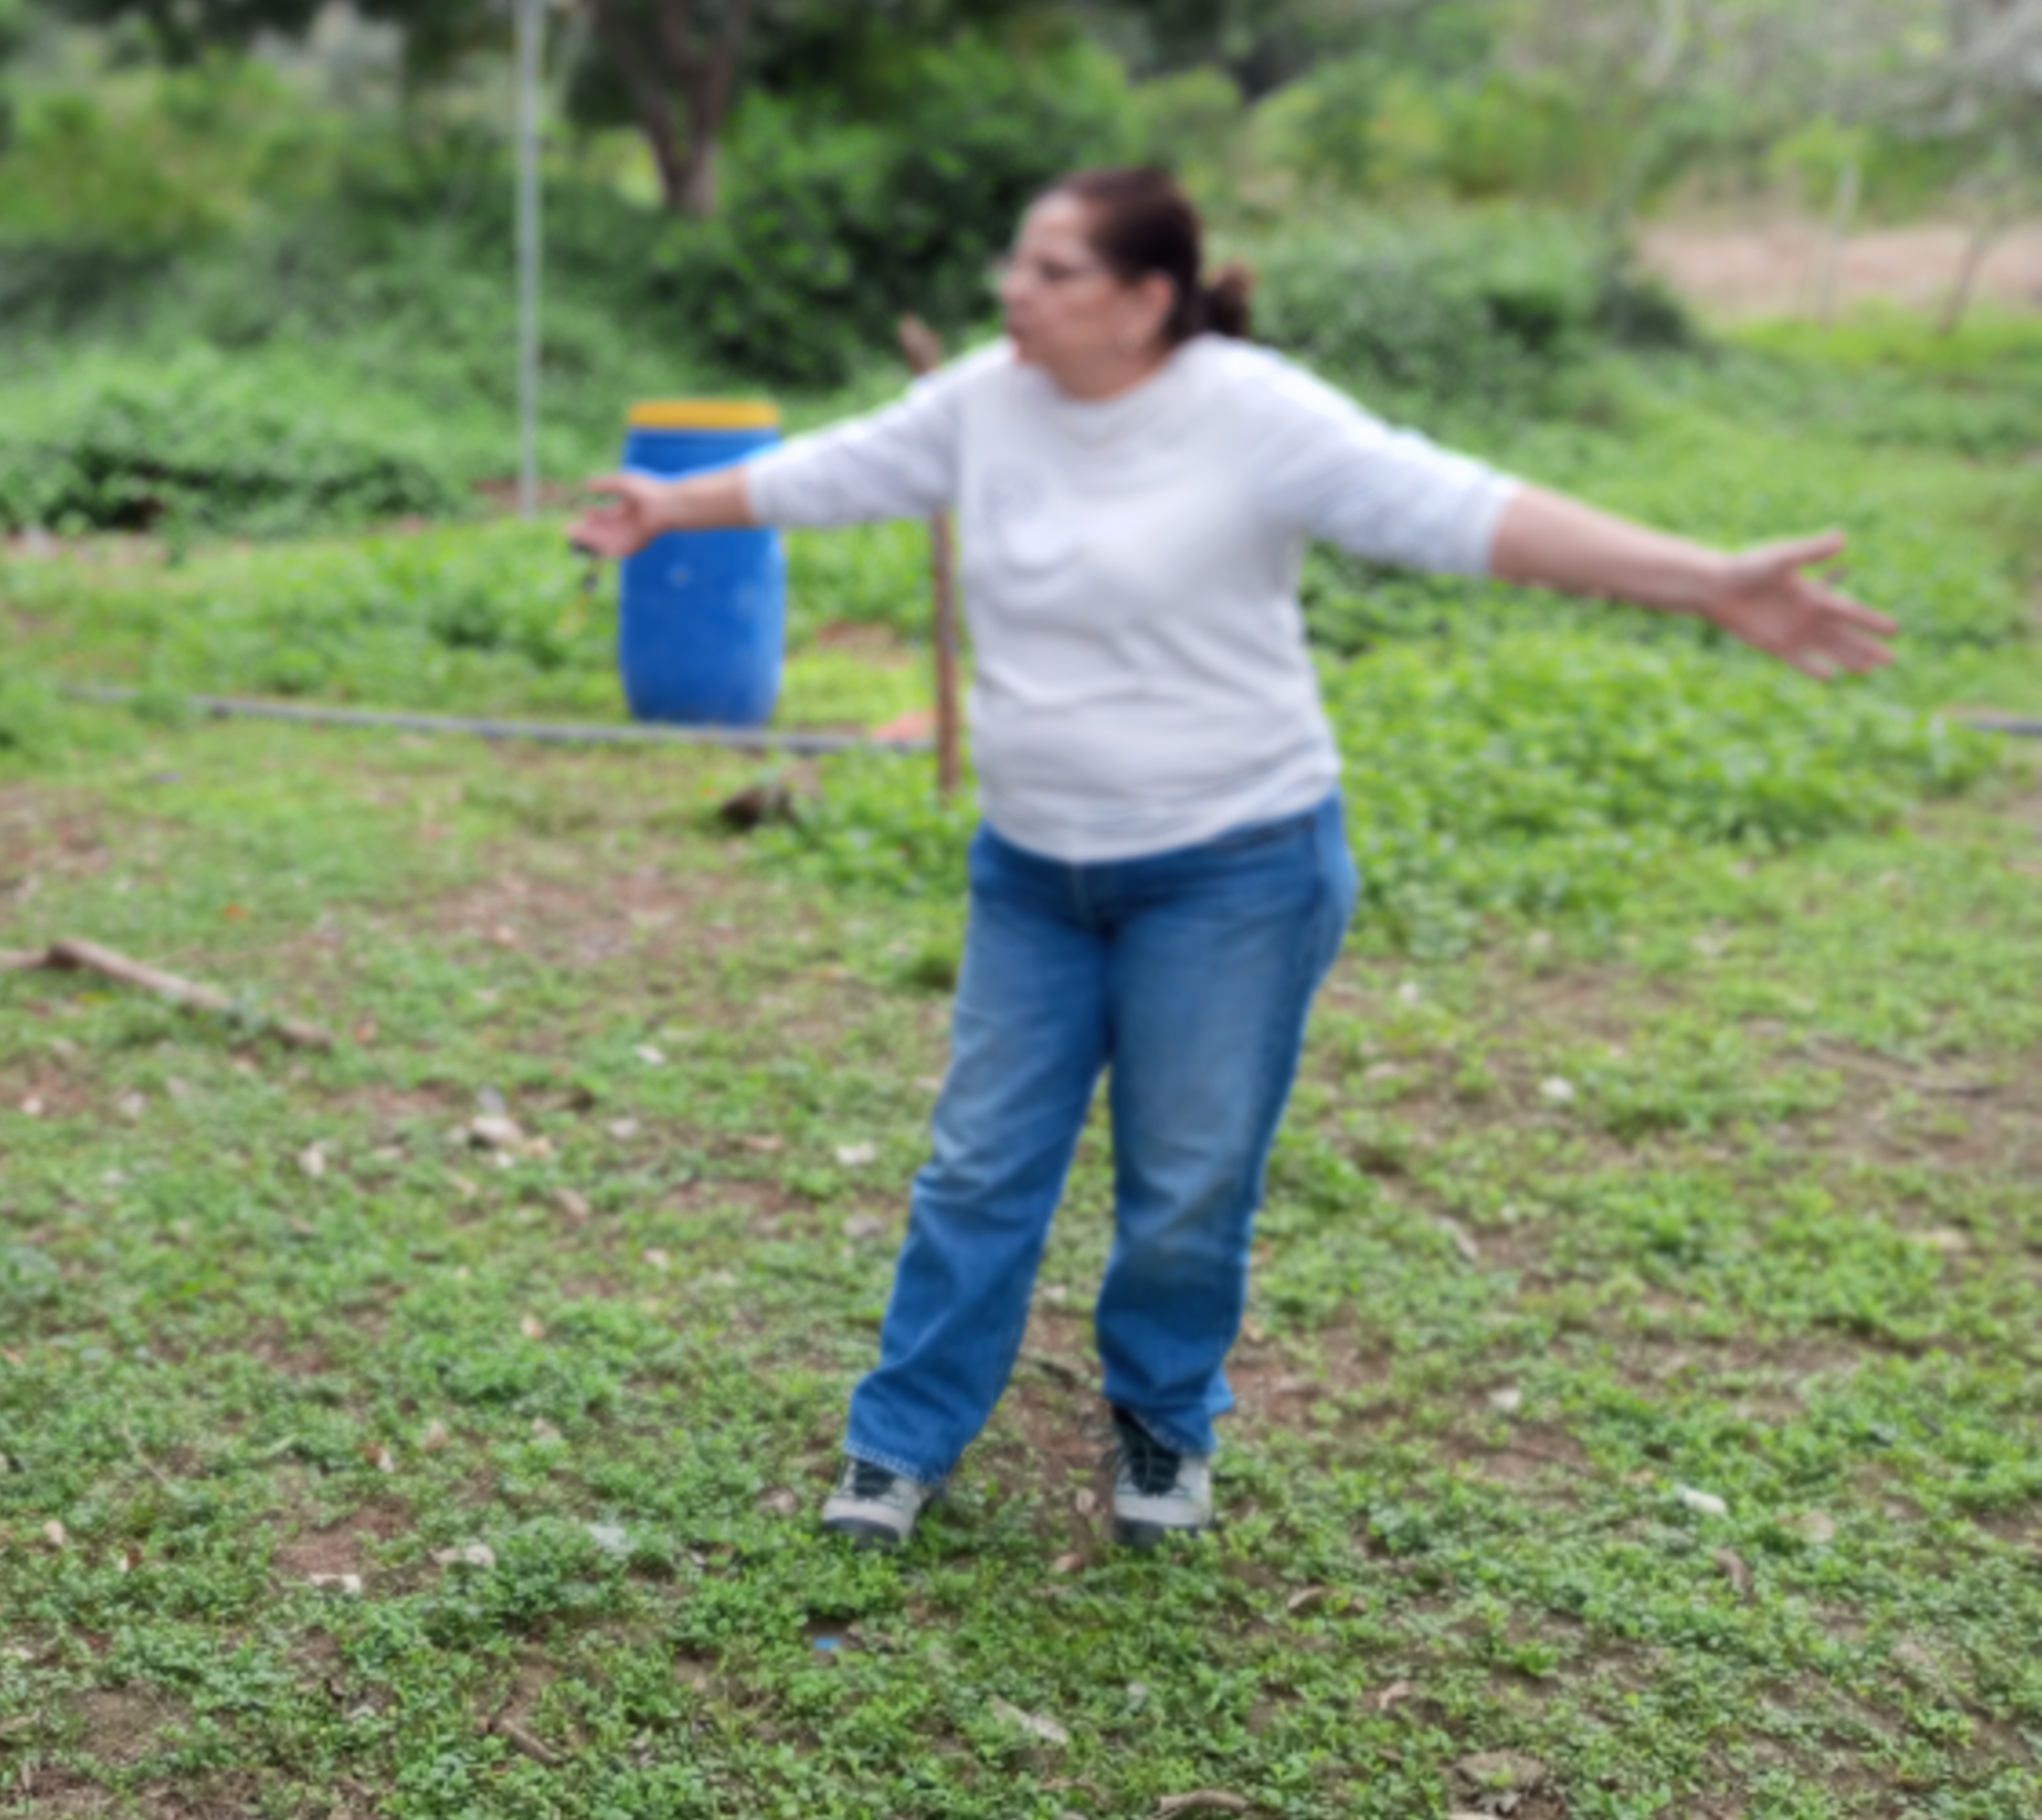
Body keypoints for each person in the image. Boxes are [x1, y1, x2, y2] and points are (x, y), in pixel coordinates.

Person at [569, 167, 1893, 1551]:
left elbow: (1464, 509)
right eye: (1018, 263)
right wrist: (671, 507)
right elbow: (830, 470)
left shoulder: (1253, 414)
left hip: (1234, 872)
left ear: (1147, 299)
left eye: (1054, 271)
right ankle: (902, 1438)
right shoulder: (985, 401)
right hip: (1036, 871)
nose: (1015, 292)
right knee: (977, 1168)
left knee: (1187, 1181)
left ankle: (1163, 1417)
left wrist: (1705, 578)